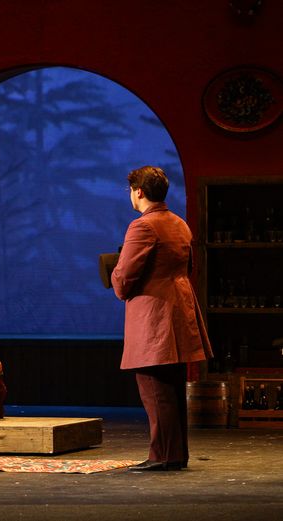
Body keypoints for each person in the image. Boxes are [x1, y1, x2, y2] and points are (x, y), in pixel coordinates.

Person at [110, 166, 212, 471]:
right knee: (171, 389)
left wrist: (113, 273)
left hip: (155, 316)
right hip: (179, 311)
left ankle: (163, 456)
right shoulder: (179, 223)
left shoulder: (143, 226)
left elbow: (124, 279)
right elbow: (188, 268)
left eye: (131, 190)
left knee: (155, 389)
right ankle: (175, 454)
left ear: (139, 192)